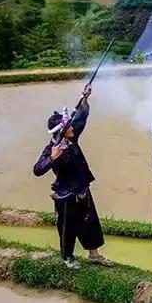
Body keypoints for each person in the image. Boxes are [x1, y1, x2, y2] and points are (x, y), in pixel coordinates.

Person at [32, 86, 111, 269]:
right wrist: (52, 158)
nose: (73, 128)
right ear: (61, 131)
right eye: (68, 127)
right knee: (67, 228)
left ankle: (94, 254)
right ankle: (67, 257)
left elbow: (81, 118)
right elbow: (37, 170)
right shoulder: (51, 150)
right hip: (66, 195)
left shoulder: (72, 140)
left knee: (90, 222)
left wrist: (84, 99)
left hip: (82, 188)